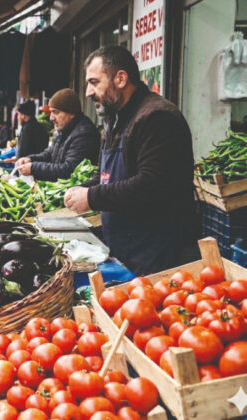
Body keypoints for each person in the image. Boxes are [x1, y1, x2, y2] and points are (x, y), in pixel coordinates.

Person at [64, 45, 195, 275]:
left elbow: (151, 184)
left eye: (94, 82)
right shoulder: (115, 120)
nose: (87, 92)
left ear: (121, 79)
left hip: (157, 255)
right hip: (126, 251)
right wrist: (83, 189)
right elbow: (108, 176)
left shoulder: (157, 117)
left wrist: (92, 197)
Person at [15, 88, 99, 181]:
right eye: (51, 112)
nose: (51, 118)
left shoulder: (84, 134)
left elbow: (69, 169)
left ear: (71, 113)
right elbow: (50, 154)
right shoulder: (63, 129)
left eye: (56, 112)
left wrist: (34, 168)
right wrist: (30, 159)